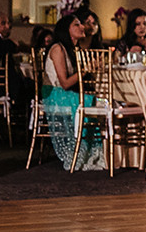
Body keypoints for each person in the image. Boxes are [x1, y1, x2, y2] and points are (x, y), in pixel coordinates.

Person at [41, 10, 105, 170]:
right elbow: (65, 83)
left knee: (97, 99)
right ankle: (80, 151)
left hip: (65, 92)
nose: (82, 26)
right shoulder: (58, 49)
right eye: (76, 24)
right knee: (89, 101)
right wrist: (86, 70)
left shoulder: (73, 49)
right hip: (55, 93)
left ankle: (95, 149)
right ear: (66, 29)